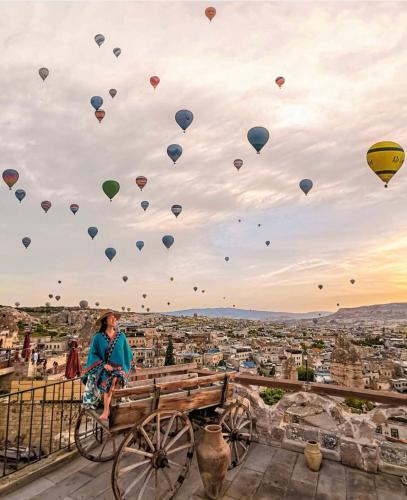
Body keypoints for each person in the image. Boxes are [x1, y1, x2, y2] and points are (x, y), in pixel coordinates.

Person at [81, 310, 134, 426]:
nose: (114, 319)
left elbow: (128, 353)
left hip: (119, 369)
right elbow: (93, 355)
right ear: (105, 321)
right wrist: (103, 364)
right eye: (111, 318)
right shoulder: (98, 338)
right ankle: (106, 409)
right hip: (104, 368)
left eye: (115, 318)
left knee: (113, 378)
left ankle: (106, 411)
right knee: (108, 377)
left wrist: (132, 365)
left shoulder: (121, 336)